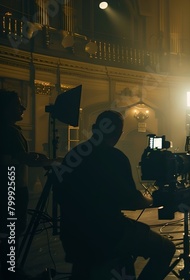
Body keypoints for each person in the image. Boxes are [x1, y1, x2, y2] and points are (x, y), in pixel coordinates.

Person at [55, 110, 176, 280]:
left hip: (72, 235)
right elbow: (131, 201)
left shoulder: (73, 154)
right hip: (108, 234)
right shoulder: (115, 157)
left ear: (94, 128)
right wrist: (153, 200)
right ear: (119, 134)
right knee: (166, 248)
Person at [0, 89, 53, 280]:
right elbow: (19, 159)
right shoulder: (9, 132)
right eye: (17, 104)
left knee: (8, 231)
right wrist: (49, 162)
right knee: (12, 230)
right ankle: (9, 270)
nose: (22, 108)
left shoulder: (8, 130)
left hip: (9, 186)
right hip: (12, 188)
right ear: (5, 108)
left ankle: (8, 268)